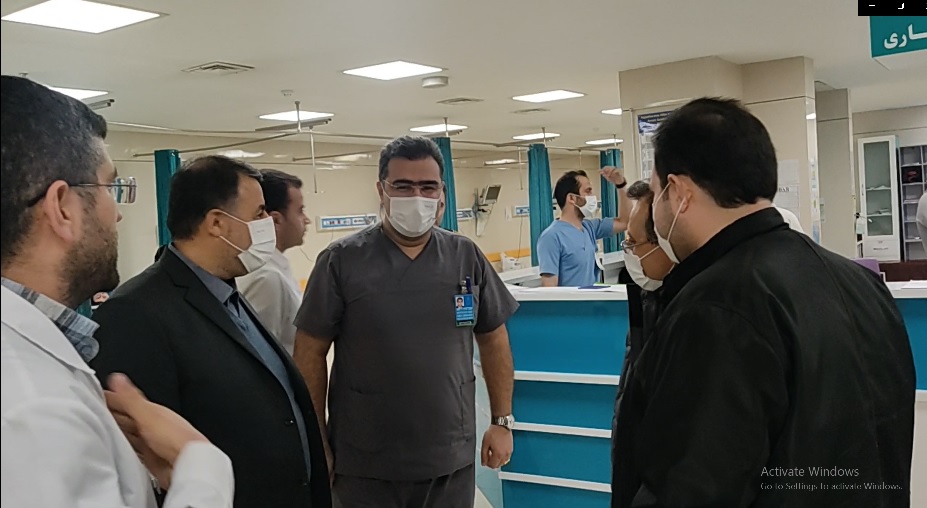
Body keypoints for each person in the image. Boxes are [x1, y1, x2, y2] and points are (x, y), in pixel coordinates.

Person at [614, 97, 915, 507]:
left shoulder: (717, 306)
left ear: (680, 192)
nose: (657, 212)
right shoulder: (860, 283)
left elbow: (693, 484)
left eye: (657, 193)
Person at [0, 75, 234, 508]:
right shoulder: (32, 406)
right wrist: (202, 468)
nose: (118, 214)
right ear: (62, 207)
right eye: (110, 187)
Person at [90, 156, 332, 508]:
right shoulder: (136, 313)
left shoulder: (226, 293)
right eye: (259, 214)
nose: (268, 224)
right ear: (217, 223)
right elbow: (143, 457)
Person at [293, 136, 518, 508]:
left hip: (449, 455)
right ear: (381, 190)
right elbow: (309, 352)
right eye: (403, 186)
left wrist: (502, 421)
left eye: (428, 186)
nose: (417, 196)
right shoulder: (341, 261)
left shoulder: (465, 256)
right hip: (366, 462)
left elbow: (494, 339)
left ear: (442, 192)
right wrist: (317, 442)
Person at [611, 179, 673, 507]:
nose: (631, 253)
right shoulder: (648, 301)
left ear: (667, 243)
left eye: (635, 243)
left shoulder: (691, 320)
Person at [237, 169, 311, 355]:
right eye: (300, 211)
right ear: (276, 220)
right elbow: (261, 354)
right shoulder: (267, 278)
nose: (307, 220)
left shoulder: (274, 268)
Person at [537, 167, 631, 286]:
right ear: (572, 198)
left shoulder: (590, 228)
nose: (592, 196)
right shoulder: (551, 237)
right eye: (588, 191)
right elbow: (549, 289)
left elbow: (625, 222)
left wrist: (621, 184)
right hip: (571, 299)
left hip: (592, 297)